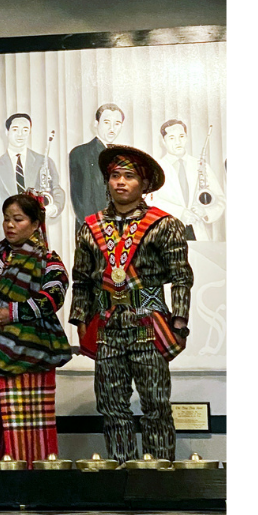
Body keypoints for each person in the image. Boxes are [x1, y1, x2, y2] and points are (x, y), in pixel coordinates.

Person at [69, 145, 193, 463]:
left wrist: (179, 320)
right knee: (111, 405)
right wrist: (80, 320)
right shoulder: (90, 227)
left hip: (150, 325)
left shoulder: (165, 225)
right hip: (108, 327)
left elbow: (181, 277)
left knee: (155, 405)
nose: (120, 182)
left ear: (145, 184)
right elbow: (82, 280)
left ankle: (160, 475)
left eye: (129, 176)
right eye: (114, 176)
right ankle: (124, 473)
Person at [0, 193, 72, 466]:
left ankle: (31, 479)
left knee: (28, 424)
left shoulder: (48, 260)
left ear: (35, 224)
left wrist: (11, 314)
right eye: (6, 219)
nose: (9, 225)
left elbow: (53, 297)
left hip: (31, 353)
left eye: (18, 219)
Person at [0, 113, 66, 241]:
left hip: (36, 239)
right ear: (7, 132)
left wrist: (54, 207)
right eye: (15, 129)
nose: (20, 134)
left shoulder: (44, 162)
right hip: (3, 240)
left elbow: (57, 191)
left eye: (25, 130)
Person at [151, 120, 226, 240]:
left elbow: (220, 200)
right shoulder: (155, 168)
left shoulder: (201, 165)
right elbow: (150, 202)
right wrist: (180, 212)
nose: (178, 142)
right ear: (163, 142)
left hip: (197, 234)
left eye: (181, 136)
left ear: (186, 138)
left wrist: (205, 212)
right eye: (171, 138)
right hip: (166, 235)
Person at [68, 104, 126, 227]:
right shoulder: (80, 153)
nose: (112, 128)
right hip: (93, 228)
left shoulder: (124, 155)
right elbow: (78, 199)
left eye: (117, 123)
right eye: (106, 122)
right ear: (96, 124)